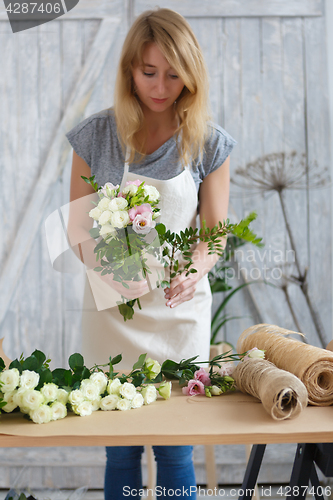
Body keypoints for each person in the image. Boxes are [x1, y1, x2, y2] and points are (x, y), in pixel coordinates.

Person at [66, 8, 236, 499]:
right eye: (148, 72)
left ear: (191, 73)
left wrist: (196, 267)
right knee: (118, 446)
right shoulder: (95, 136)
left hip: (178, 312)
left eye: (173, 73)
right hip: (111, 310)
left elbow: (216, 234)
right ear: (129, 71)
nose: (160, 86)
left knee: (175, 446)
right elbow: (78, 227)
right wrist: (109, 271)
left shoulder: (208, 143)